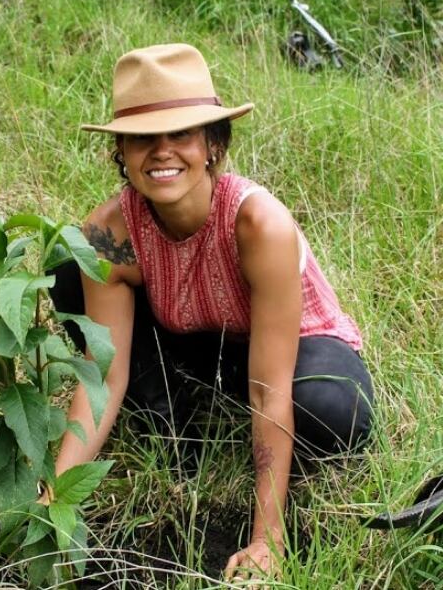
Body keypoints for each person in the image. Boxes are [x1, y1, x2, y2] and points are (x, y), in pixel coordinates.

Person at [43, 43, 374, 580]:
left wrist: (266, 539)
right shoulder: (110, 232)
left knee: (333, 409)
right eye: (142, 138)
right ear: (121, 151)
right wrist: (55, 495)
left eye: (181, 135)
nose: (162, 153)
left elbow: (269, 389)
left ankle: (280, 460)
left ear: (213, 144)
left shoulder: (258, 224)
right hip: (200, 340)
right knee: (68, 267)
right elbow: (103, 369)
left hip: (293, 347)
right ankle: (172, 422)